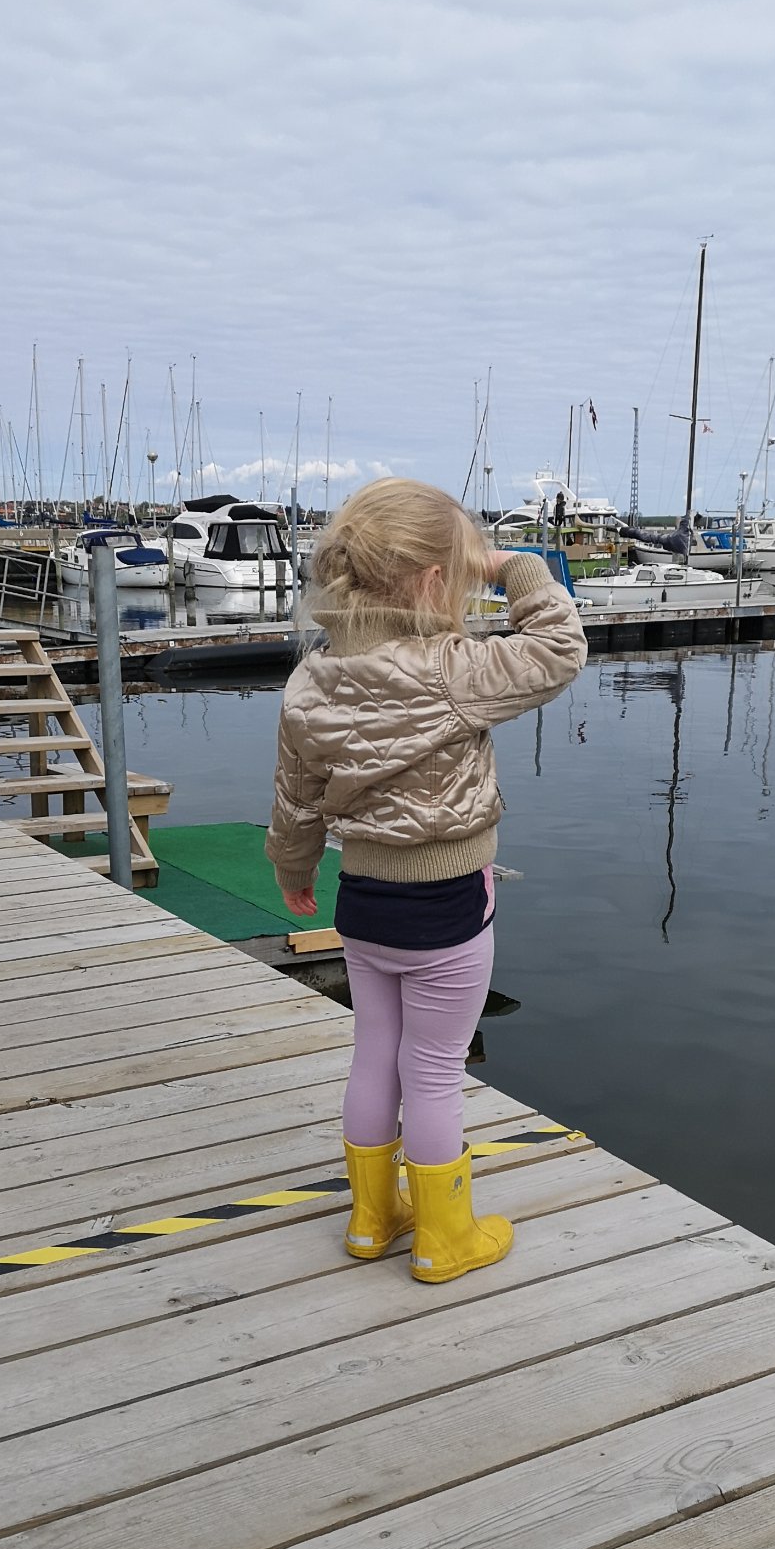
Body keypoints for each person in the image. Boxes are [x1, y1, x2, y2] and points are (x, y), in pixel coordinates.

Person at [265, 477, 586, 1284]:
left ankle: (372, 1218)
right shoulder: (455, 670)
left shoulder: (312, 678)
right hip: (447, 902)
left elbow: (296, 795)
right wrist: (516, 568)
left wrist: (293, 867)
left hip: (361, 901)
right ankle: (446, 1236)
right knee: (435, 1070)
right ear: (436, 581)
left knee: (375, 1054)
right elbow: (558, 650)